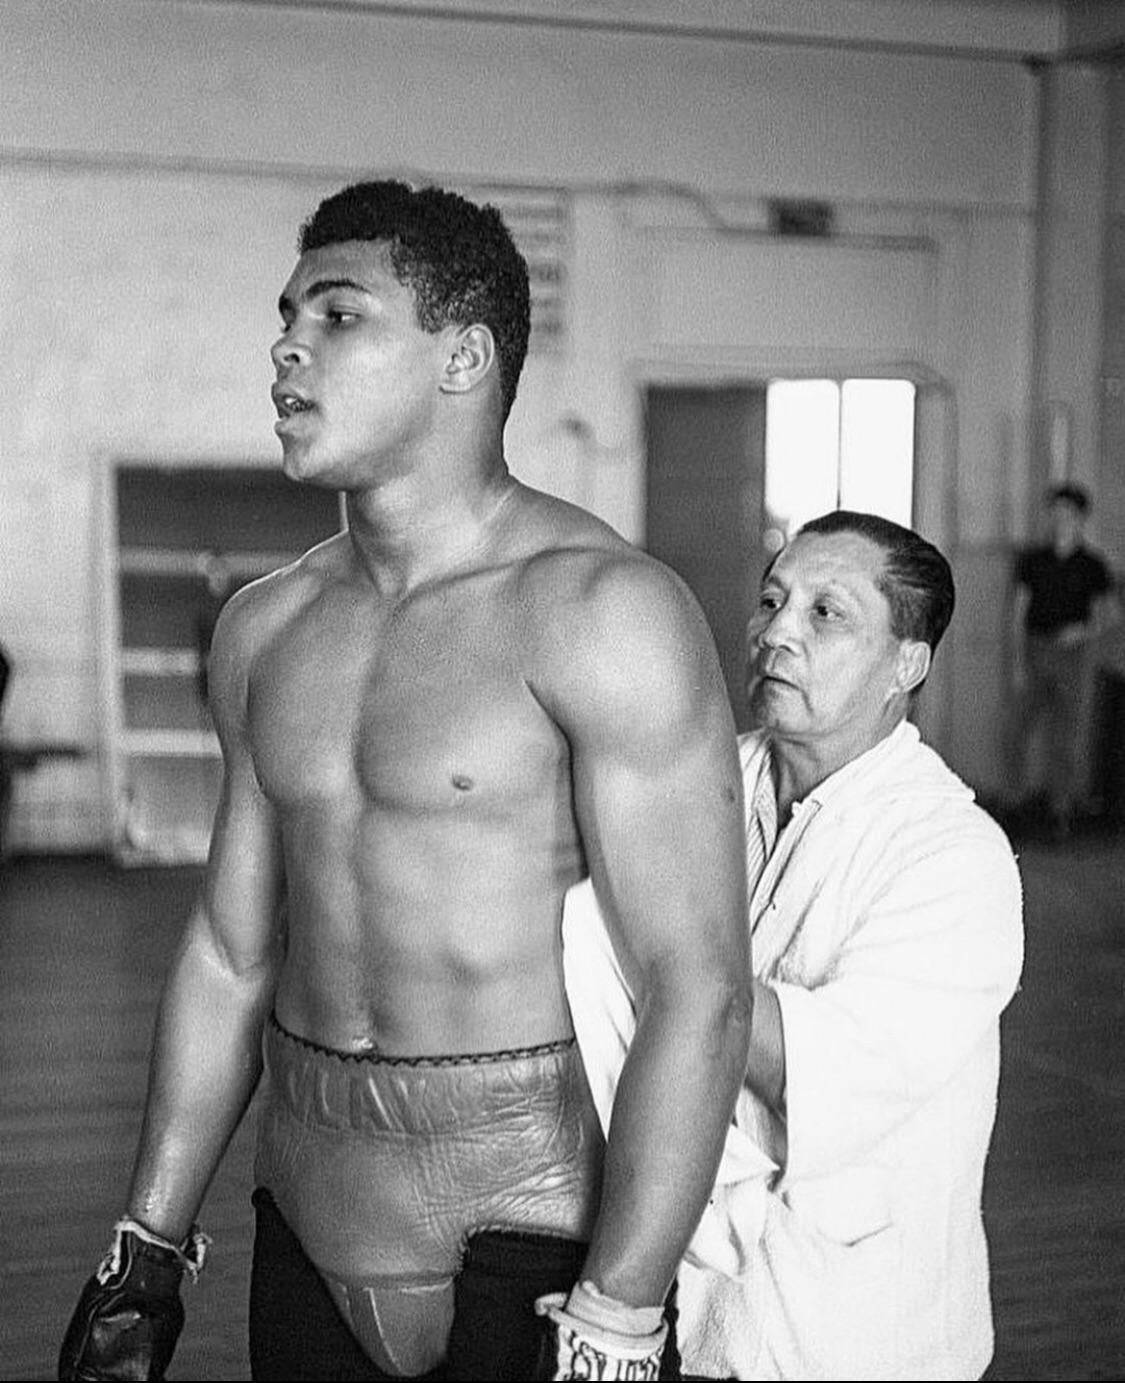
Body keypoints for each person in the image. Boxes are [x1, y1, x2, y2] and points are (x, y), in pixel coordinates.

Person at [58, 181, 753, 1382]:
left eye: (339, 316)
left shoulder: (604, 611)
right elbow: (230, 953)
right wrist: (146, 1249)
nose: (286, 345)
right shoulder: (264, 630)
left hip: (535, 1218)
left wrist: (623, 1310)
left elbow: (701, 987)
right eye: (286, 316)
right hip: (313, 1197)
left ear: (463, 357)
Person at [564, 509, 1024, 1379]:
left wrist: (672, 977)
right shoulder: (699, 779)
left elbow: (832, 1069)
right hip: (689, 1330)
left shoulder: (950, 855)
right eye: (772, 599)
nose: (775, 629)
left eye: (825, 613)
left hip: (857, 1338)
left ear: (906, 663)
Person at [1009, 482, 1116, 835]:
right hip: (1036, 648)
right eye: (1055, 513)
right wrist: (1018, 661)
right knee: (1019, 728)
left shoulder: (1093, 565)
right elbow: (1018, 613)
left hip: (1073, 655)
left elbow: (1108, 615)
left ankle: (1061, 811)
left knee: (1066, 734)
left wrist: (1082, 632)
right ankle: (1016, 804)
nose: (1061, 520)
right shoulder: (1033, 561)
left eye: (1068, 514)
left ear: (1081, 519)